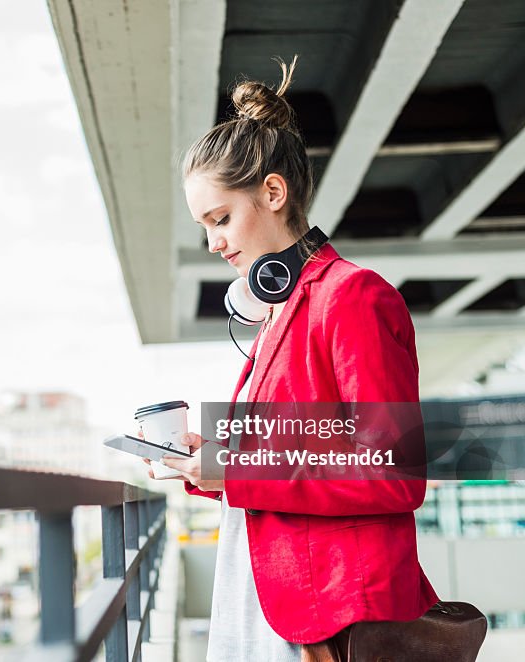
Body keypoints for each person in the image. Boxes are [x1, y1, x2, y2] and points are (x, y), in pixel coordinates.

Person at [144, 56, 439, 662]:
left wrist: (239, 471)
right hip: (266, 595)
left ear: (273, 193)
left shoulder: (354, 297)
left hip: (328, 617)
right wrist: (209, 461)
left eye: (221, 218)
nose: (213, 243)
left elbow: (394, 472)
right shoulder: (280, 313)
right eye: (204, 226)